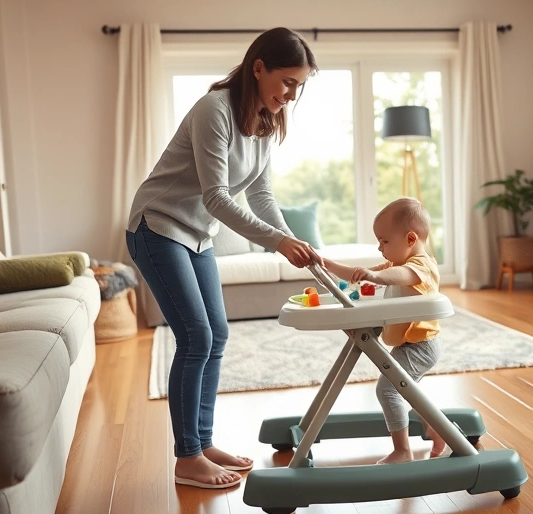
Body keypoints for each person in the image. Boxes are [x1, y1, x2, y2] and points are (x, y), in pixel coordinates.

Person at [125, 28, 321, 489]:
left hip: (196, 236)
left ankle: (202, 441)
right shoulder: (214, 110)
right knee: (195, 335)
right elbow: (216, 197)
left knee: (217, 335)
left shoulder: (265, 123)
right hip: (157, 227)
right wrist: (277, 243)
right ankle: (187, 457)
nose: (291, 95)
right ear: (259, 68)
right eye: (288, 82)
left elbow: (261, 194)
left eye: (300, 86)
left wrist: (295, 243)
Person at [322, 197, 445, 464]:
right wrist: (325, 264)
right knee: (407, 390)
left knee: (387, 389)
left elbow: (400, 277)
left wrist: (374, 276)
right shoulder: (397, 264)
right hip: (410, 344)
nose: (380, 248)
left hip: (421, 346)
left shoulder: (421, 265)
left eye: (385, 241)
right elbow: (358, 273)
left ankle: (402, 451)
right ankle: (437, 429)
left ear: (411, 239)